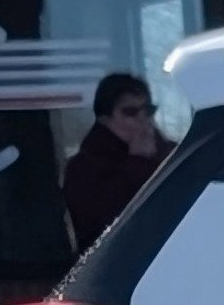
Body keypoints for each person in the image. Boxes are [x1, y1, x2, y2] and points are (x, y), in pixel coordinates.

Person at [63, 72, 169, 250]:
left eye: (148, 110)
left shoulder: (167, 153)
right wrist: (138, 162)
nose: (143, 119)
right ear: (104, 118)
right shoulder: (83, 168)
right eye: (130, 112)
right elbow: (102, 222)